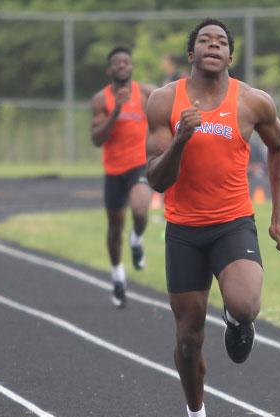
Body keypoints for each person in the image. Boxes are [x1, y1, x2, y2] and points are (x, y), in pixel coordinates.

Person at [145, 18, 280, 417]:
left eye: (222, 41)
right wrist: (182, 138)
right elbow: (155, 179)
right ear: (192, 54)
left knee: (246, 304)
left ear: (230, 56)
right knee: (188, 339)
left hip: (233, 224)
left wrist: (278, 217)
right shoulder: (164, 101)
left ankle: (237, 319)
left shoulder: (252, 101)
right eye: (205, 40)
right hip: (184, 229)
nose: (214, 45)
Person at [90, 47, 156, 308]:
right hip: (113, 170)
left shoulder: (146, 93)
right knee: (114, 228)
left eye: (126, 62)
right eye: (116, 62)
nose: (121, 65)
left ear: (132, 68)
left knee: (140, 211)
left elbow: (172, 104)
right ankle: (118, 275)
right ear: (110, 70)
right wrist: (115, 111)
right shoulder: (101, 99)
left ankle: (137, 239)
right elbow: (96, 139)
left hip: (139, 165)